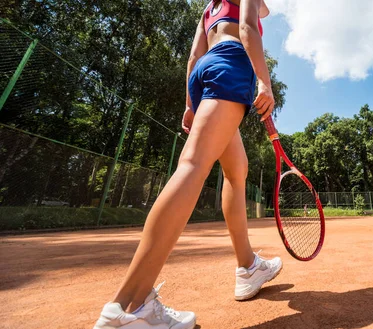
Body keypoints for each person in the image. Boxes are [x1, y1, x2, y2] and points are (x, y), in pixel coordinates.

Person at [94, 1, 282, 328]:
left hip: (204, 70)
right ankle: (129, 306)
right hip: (231, 62)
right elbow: (249, 27)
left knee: (237, 172)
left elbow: (194, 55)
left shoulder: (209, 9)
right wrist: (265, 83)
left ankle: (248, 266)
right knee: (193, 165)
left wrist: (189, 104)